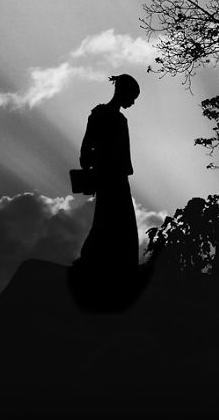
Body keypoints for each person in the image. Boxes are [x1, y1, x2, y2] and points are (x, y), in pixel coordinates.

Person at [75, 73, 141, 300]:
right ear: (123, 93)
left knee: (113, 222)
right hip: (110, 179)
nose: (132, 102)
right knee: (111, 222)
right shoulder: (103, 115)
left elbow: (86, 150)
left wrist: (90, 168)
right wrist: (91, 171)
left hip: (115, 178)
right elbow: (87, 148)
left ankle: (108, 267)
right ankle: (98, 266)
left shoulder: (113, 118)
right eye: (132, 97)